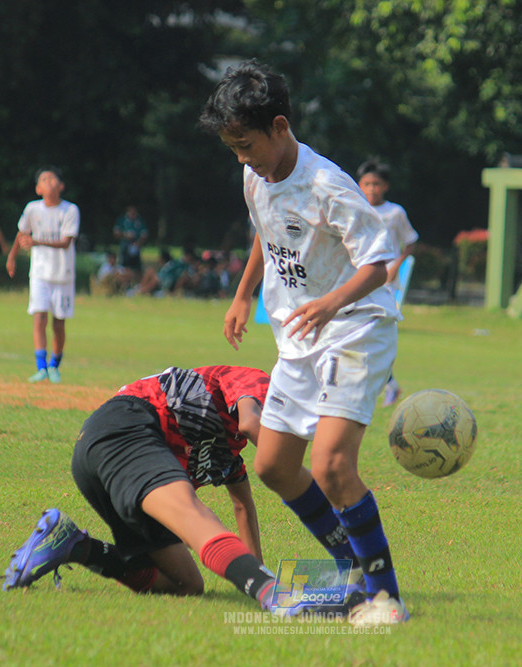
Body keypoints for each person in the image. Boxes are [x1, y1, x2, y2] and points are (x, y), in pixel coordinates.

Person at [199, 60, 408, 626]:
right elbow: (266, 236)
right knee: (272, 465)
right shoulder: (255, 176)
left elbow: (379, 265)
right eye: (233, 148)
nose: (243, 159)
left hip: (354, 324)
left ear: (280, 127)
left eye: (247, 144)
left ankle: (386, 598)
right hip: (300, 334)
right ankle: (355, 568)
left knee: (333, 464)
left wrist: (330, 302)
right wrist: (244, 295)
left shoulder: (327, 184)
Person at [2, 365, 277, 610]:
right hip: (126, 425)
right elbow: (251, 423)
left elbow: (243, 506)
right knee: (195, 517)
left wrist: (252, 574)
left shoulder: (227, 456)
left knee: (186, 583)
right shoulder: (260, 381)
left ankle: (74, 546)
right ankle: (277, 595)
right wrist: (293, 474)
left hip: (108, 453)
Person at [6, 166, 80, 383]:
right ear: (38, 189)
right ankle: (41, 368)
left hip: (62, 274)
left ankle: (54, 365)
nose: (48, 182)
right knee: (39, 317)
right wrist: (12, 256)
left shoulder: (70, 210)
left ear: (61, 186)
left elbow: (66, 242)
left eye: (52, 179)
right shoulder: (32, 209)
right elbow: (22, 233)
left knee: (58, 324)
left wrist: (36, 241)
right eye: (44, 180)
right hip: (39, 272)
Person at [356, 159, 418, 407]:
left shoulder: (395, 213)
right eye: (366, 183)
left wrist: (396, 265)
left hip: (384, 283)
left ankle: (387, 384)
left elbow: (410, 242)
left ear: (386, 186)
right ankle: (385, 384)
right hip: (358, 280)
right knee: (359, 335)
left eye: (376, 184)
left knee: (376, 334)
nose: (371, 188)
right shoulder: (355, 208)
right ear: (359, 185)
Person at [113, 206, 148, 277]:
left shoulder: (139, 221)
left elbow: (144, 235)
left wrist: (136, 244)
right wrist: (125, 235)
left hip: (135, 244)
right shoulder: (122, 220)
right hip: (125, 245)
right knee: (123, 265)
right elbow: (116, 233)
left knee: (137, 267)